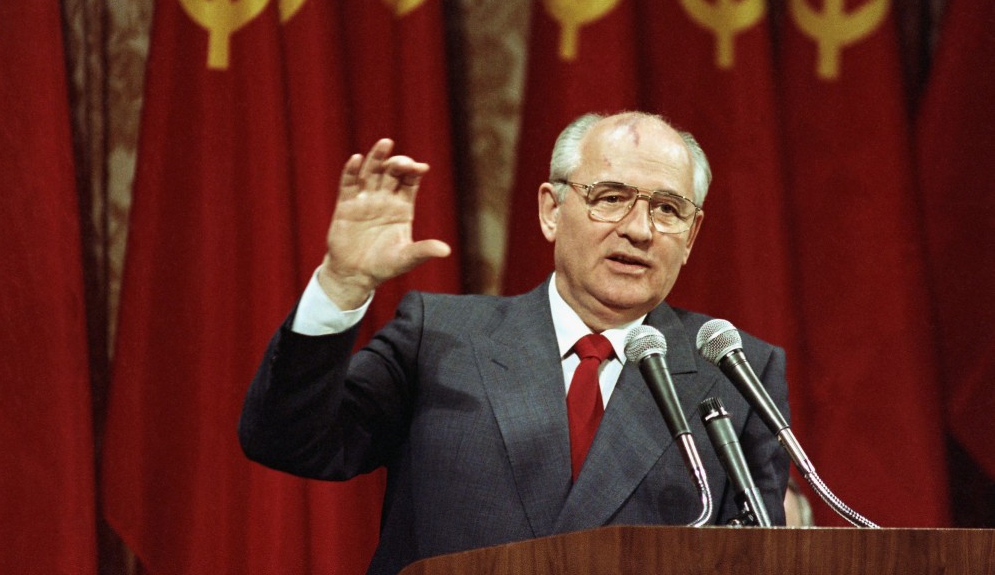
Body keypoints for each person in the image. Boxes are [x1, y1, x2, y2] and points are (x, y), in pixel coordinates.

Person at [239, 111, 791, 574]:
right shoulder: (442, 338)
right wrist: (343, 284)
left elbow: (754, 558)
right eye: (611, 197)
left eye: (667, 209)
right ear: (552, 210)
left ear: (691, 235)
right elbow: (288, 440)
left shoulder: (735, 371)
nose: (639, 229)